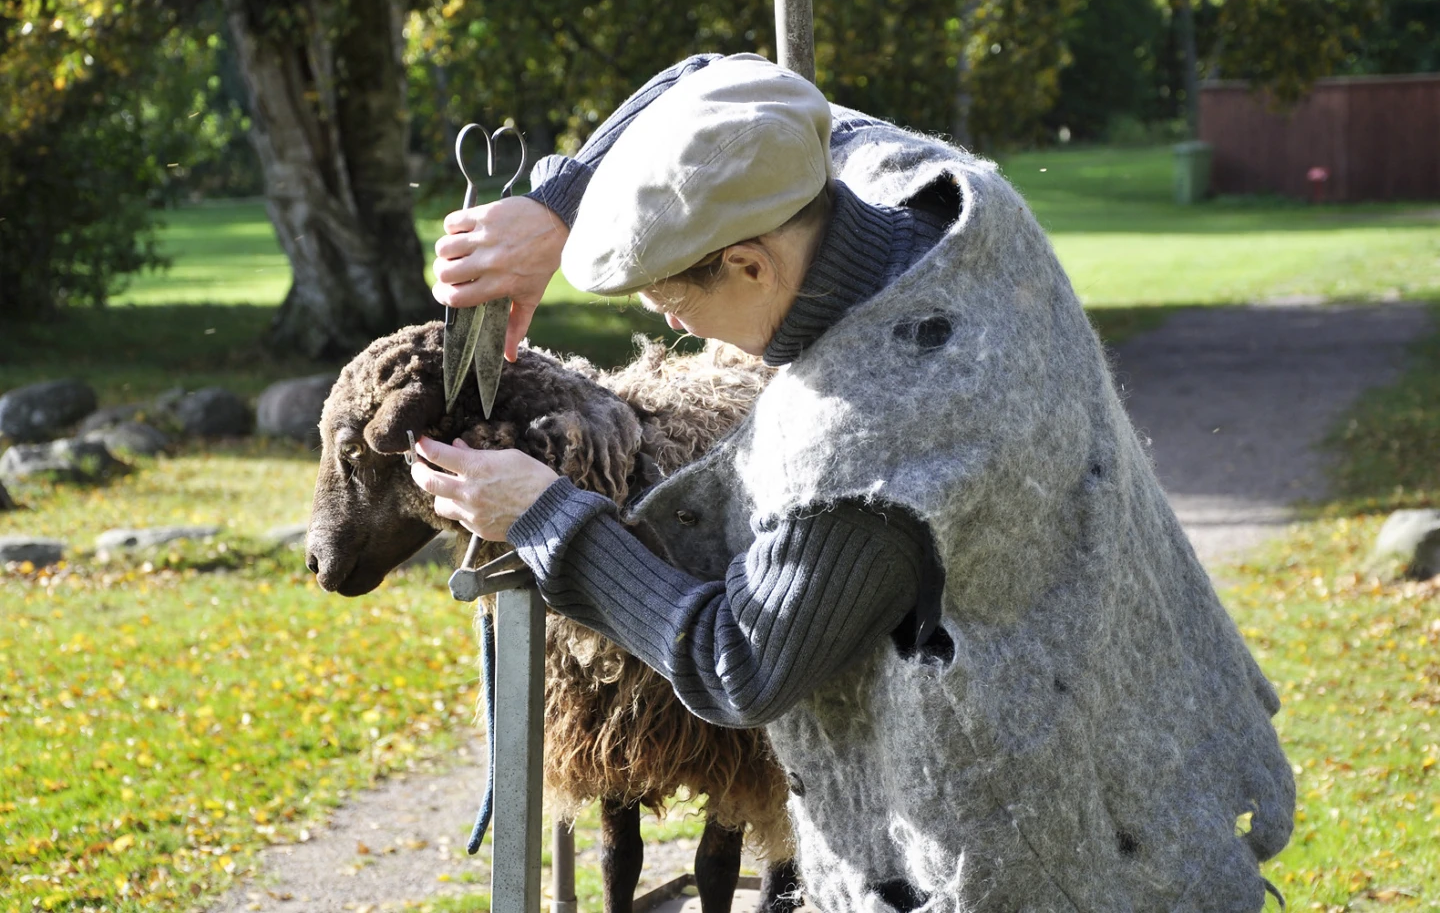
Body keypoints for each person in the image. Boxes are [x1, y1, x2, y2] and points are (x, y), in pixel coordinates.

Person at [412, 54, 1295, 912]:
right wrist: (554, 208)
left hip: (1025, 834)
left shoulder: (868, 437)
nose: (676, 328)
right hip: (1135, 697)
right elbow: (717, 83)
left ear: (750, 266)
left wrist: (545, 516)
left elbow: (741, 666)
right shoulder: (923, 188)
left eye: (673, 306)